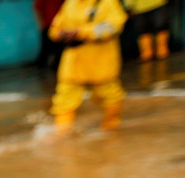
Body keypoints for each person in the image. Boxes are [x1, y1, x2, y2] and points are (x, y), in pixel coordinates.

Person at [49, 0, 128, 134]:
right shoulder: (70, 3)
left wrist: (82, 32)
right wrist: (60, 34)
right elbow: (55, 27)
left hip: (101, 61)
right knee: (64, 98)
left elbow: (114, 26)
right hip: (73, 62)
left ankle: (111, 127)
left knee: (108, 94)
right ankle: (61, 134)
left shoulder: (108, 3)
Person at [34, 0, 66, 69]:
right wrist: (41, 24)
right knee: (46, 48)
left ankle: (55, 65)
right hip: (48, 25)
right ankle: (41, 66)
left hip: (59, 26)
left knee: (59, 48)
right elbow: (37, 8)